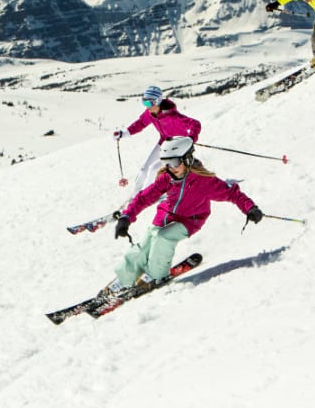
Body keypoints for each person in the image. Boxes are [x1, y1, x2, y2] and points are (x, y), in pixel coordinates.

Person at [104, 136, 262, 293]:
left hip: (189, 221)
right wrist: (126, 217)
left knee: (163, 238)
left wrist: (250, 208)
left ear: (187, 159)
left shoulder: (204, 181)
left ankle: (155, 275)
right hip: (165, 216)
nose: (170, 168)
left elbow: (231, 193)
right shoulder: (167, 178)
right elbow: (144, 197)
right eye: (166, 163)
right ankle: (125, 278)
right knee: (143, 247)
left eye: (174, 162)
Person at [112, 85, 201, 195]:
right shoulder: (150, 113)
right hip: (163, 143)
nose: (146, 106)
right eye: (144, 102)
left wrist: (191, 138)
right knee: (144, 170)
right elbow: (140, 124)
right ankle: (134, 195)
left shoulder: (173, 116)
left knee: (153, 169)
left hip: (177, 148)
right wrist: (123, 133)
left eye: (148, 103)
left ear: (157, 101)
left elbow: (195, 124)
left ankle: (148, 194)